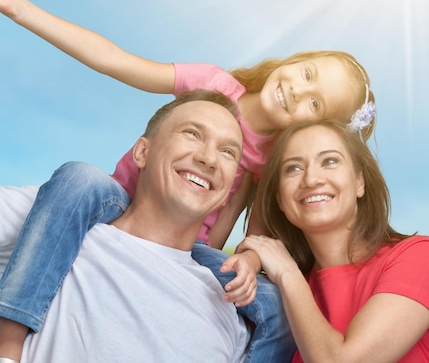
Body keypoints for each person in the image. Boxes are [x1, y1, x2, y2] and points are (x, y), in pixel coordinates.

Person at [0, 0, 376, 361]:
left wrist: (239, 262)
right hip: (123, 204)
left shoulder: (272, 160)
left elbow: (251, 234)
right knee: (80, 178)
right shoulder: (212, 85)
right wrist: (21, 8)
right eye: (307, 74)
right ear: (297, 60)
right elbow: (114, 59)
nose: (298, 91)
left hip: (187, 245)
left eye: (314, 103)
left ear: (312, 125)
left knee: (274, 304)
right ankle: (8, 340)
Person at [1, 89, 254, 362]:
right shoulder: (54, 216)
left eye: (228, 152)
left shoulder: (230, 313)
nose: (209, 159)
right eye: (192, 133)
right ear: (142, 152)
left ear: (227, 191)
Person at [238, 119, 429, 362]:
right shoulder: (287, 296)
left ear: (359, 182)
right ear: (279, 198)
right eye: (293, 168)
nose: (311, 179)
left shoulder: (420, 258)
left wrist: (288, 273)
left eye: (329, 161)